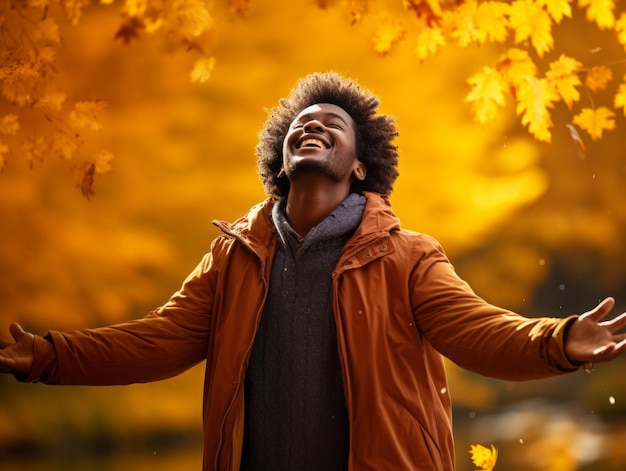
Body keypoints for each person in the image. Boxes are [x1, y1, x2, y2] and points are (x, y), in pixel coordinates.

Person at [1, 71, 625, 471]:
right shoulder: (234, 256)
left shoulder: (407, 257)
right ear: (282, 155)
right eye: (303, 122)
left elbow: (477, 334)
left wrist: (559, 340)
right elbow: (156, 342)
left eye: (335, 123)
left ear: (360, 165)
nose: (314, 124)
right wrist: (48, 357)